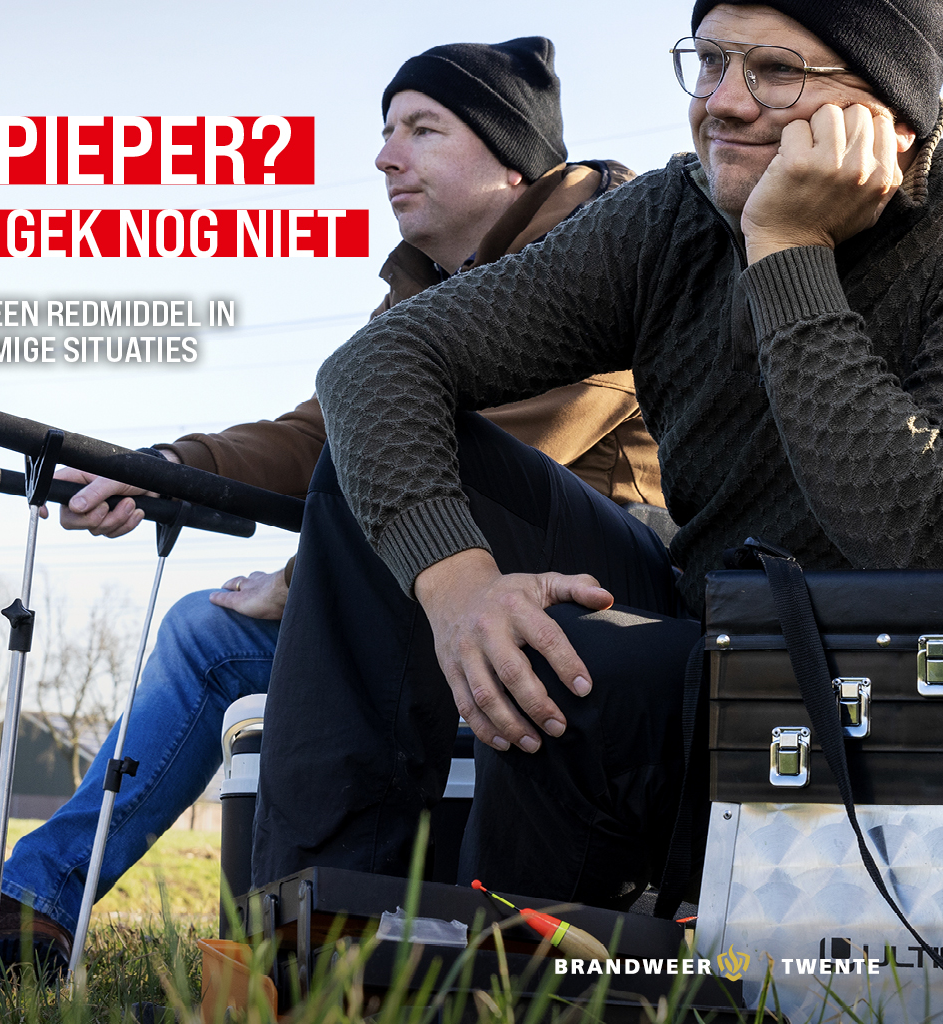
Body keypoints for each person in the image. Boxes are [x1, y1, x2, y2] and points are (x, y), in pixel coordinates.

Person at [0, 36, 663, 977]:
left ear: (511, 157)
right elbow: (322, 433)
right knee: (206, 632)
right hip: (430, 612)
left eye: (423, 130)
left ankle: (350, 940)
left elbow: (475, 465)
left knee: (258, 614)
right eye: (385, 131)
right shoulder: (423, 301)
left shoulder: (601, 263)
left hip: (587, 617)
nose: (385, 156)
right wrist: (164, 468)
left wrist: (300, 578)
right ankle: (33, 910)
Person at [251, 0, 943, 914]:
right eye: (710, 61)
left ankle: (515, 967)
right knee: (369, 473)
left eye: (776, 72)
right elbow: (377, 365)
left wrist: (786, 249)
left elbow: (913, 535)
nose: (723, 102)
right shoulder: (671, 213)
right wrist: (459, 590)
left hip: (885, 674)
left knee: (574, 674)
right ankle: (320, 939)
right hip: (704, 612)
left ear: (893, 113)